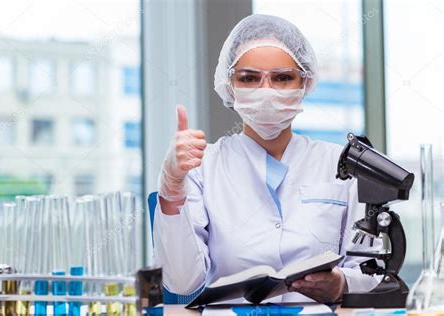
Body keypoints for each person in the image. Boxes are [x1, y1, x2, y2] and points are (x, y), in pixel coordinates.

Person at [153, 14, 381, 303]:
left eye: (283, 78)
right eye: (249, 78)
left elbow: (370, 270)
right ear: (229, 84)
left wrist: (342, 284)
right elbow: (183, 282)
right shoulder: (203, 166)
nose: (266, 92)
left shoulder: (340, 164)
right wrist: (172, 187)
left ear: (305, 82)